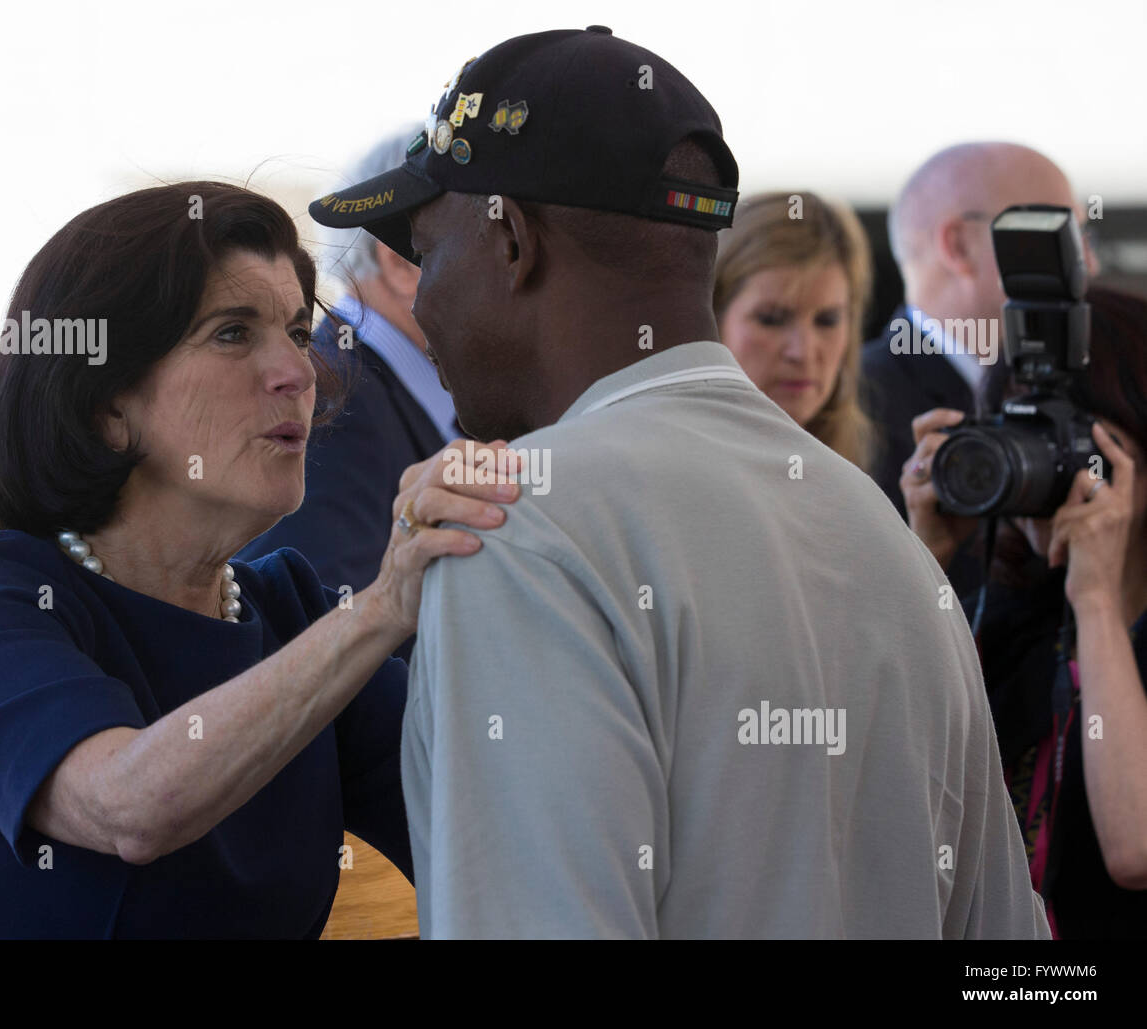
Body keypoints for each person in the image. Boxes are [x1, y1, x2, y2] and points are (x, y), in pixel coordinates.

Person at [309, 26, 1048, 939]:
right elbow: (1016, 957)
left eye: (428, 251)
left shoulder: (507, 530)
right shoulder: (881, 532)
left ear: (511, 239)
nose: (422, 302)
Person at [0, 181, 518, 939]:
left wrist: (524, 545)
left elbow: (499, 831)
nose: (301, 372)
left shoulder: (293, 610)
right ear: (107, 405)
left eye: (296, 330)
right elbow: (130, 808)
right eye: (233, 333)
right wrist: (385, 606)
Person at [901, 286, 1147, 939]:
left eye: (1067, 441)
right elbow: (870, 791)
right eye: (1021, 432)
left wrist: (1096, 601)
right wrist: (920, 556)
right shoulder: (1006, 622)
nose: (1044, 468)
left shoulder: (1093, 621)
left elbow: (1136, 850)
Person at [237, 131, 463, 668]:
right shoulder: (327, 402)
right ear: (402, 261)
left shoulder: (353, 386)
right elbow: (316, 650)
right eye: (490, 242)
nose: (515, 268)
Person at [863, 143, 1099, 597]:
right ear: (959, 245)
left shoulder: (1080, 388)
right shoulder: (853, 408)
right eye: (1062, 235)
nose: (1088, 263)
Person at [713, 190, 874, 471]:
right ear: (713, 318)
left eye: (827, 320)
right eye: (771, 319)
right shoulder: (664, 466)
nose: (803, 352)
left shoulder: (869, 471)